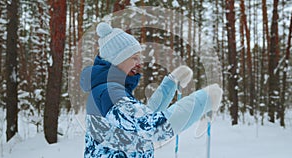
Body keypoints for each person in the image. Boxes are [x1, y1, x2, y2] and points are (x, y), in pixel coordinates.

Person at [80, 22, 223, 158]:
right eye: (134, 58)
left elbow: (141, 119)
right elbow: (152, 127)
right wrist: (205, 99)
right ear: (117, 60)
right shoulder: (108, 93)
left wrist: (170, 84)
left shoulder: (109, 89)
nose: (139, 63)